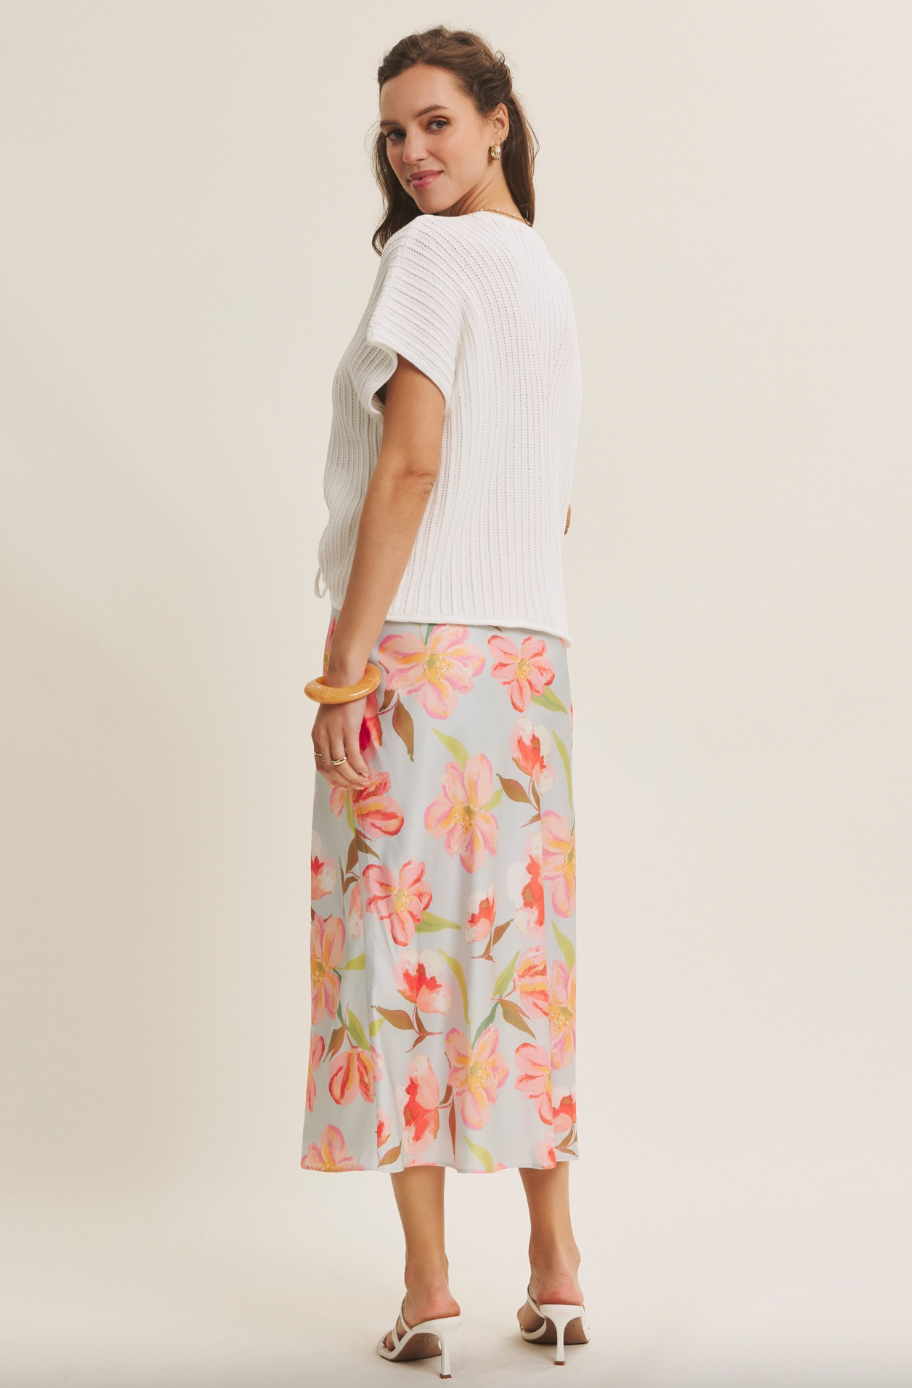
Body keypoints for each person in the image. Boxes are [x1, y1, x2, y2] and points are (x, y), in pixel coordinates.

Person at [300, 25, 588, 1375]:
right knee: (519, 966)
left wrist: (345, 666)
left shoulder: (430, 260)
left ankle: (427, 1289)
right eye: (394, 133)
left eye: (433, 123)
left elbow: (409, 471)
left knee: (395, 966)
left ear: (495, 120)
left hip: (420, 657)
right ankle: (560, 1267)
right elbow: (553, 501)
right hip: (530, 671)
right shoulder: (546, 277)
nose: (413, 152)